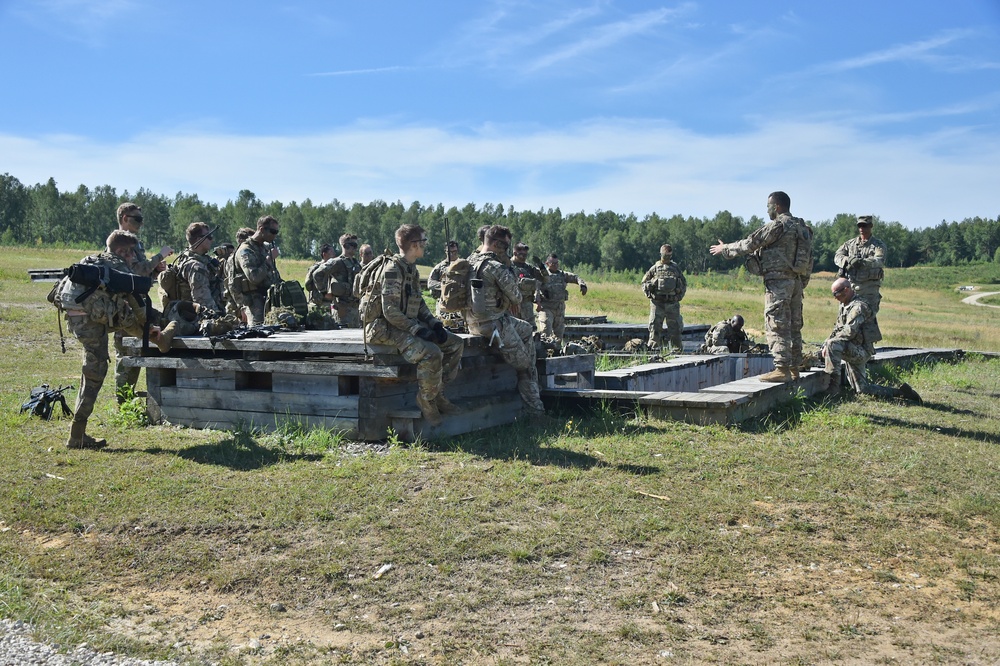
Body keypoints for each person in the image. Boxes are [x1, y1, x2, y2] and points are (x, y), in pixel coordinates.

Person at [60, 230, 161, 449]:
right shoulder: (118, 268)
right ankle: (77, 435)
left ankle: (78, 434)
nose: (133, 257)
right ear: (121, 251)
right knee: (95, 373)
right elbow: (136, 303)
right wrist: (148, 327)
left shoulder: (93, 262)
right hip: (90, 321)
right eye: (131, 252)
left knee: (93, 368)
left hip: (75, 317)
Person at [364, 224, 465, 425]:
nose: (425, 245)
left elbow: (418, 303)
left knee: (455, 344)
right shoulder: (393, 270)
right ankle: (426, 400)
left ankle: (437, 393)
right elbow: (390, 311)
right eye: (424, 241)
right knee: (431, 352)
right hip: (384, 328)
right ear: (414, 244)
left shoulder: (411, 269)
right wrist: (416, 329)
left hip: (403, 324)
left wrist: (434, 324)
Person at [710, 191, 812, 382]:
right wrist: (802, 281)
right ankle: (794, 368)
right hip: (796, 282)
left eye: (768, 206)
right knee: (794, 326)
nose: (767, 210)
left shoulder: (777, 226)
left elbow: (750, 243)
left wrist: (725, 249)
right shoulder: (802, 228)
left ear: (777, 207)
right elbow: (810, 258)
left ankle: (781, 369)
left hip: (778, 283)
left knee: (777, 325)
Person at [464, 226, 546, 415]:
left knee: (526, 329)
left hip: (473, 322)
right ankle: (535, 411)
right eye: (505, 246)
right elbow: (516, 296)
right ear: (494, 244)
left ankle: (532, 393)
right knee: (525, 365)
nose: (507, 251)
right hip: (494, 325)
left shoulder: (468, 262)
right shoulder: (495, 266)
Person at [822, 278, 921, 403]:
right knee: (862, 389)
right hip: (852, 347)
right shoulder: (844, 304)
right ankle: (901, 393)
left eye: (836, 294)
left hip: (861, 351)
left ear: (846, 290)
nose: (835, 297)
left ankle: (833, 388)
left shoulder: (859, 307)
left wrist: (829, 344)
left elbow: (849, 331)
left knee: (833, 345)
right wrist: (825, 343)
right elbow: (837, 329)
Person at [112, 203, 173, 400]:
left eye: (141, 219)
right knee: (126, 354)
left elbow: (139, 273)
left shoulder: (133, 243)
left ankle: (128, 400)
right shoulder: (119, 243)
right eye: (136, 219)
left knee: (137, 351)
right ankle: (124, 403)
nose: (140, 223)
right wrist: (158, 256)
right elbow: (134, 271)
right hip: (125, 306)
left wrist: (155, 269)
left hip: (137, 302)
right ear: (124, 219)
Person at [231, 215, 281, 325]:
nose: (275, 235)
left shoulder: (264, 248)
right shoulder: (245, 250)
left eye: (276, 231)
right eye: (273, 231)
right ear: (262, 229)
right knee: (258, 335)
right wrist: (268, 260)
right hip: (254, 304)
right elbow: (254, 277)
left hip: (269, 301)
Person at [834, 214, 887, 316]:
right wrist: (847, 260)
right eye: (860, 226)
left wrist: (862, 263)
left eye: (865, 225)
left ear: (871, 226)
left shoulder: (878, 245)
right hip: (849, 290)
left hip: (868, 291)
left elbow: (879, 260)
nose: (862, 228)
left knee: (866, 322)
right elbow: (837, 256)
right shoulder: (850, 244)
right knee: (845, 320)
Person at [168, 222, 225, 313]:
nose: (212, 240)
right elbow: (203, 302)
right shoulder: (196, 267)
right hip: (198, 320)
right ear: (200, 239)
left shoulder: (188, 258)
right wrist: (220, 320)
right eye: (209, 237)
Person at [641, 243, 686, 352]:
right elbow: (644, 283)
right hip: (657, 303)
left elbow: (683, 284)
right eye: (665, 255)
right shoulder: (655, 268)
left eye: (668, 256)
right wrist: (649, 291)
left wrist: (678, 297)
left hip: (672, 304)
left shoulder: (675, 268)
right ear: (661, 255)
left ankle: (677, 352)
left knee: (675, 330)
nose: (666, 258)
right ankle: (653, 352)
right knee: (654, 329)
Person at [537, 254, 587, 343]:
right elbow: (536, 289)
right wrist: (538, 303)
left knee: (559, 334)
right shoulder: (542, 275)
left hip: (559, 308)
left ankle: (556, 352)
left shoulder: (563, 275)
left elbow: (575, 277)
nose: (555, 265)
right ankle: (544, 352)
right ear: (547, 263)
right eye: (553, 263)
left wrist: (582, 285)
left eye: (557, 263)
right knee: (545, 330)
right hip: (546, 307)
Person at [328, 234, 363, 328]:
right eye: (354, 245)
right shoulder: (337, 262)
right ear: (345, 246)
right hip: (342, 310)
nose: (356, 248)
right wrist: (324, 293)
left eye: (356, 245)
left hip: (355, 309)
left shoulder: (356, 263)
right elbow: (318, 274)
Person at [510, 243, 546, 328]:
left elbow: (545, 279)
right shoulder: (507, 266)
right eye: (521, 254)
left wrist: (541, 266)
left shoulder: (529, 268)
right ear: (515, 253)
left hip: (527, 305)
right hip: (512, 306)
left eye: (525, 254)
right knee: (512, 330)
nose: (524, 257)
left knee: (531, 330)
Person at [224, 227, 255, 318]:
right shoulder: (232, 260)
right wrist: (242, 307)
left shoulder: (250, 256)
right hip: (237, 306)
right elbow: (233, 285)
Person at [427, 240, 460, 312]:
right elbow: (430, 283)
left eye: (455, 251)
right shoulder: (439, 267)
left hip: (460, 304)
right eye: (450, 252)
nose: (452, 254)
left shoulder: (463, 266)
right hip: (443, 304)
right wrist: (446, 286)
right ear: (446, 251)